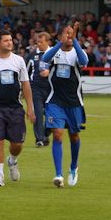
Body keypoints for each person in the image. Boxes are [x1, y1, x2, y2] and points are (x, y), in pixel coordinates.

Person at [0, 31, 35, 186]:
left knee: (17, 144)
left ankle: (12, 160)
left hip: (15, 108)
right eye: (5, 40)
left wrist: (30, 108)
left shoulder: (19, 60)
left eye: (10, 40)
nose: (10, 42)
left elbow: (25, 84)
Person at [41, 22, 88, 188]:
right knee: (57, 134)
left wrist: (75, 41)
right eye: (66, 33)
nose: (69, 36)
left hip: (74, 102)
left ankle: (74, 167)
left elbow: (84, 61)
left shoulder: (78, 52)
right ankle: (58, 174)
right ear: (60, 36)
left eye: (71, 33)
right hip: (55, 101)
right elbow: (45, 59)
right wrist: (59, 44)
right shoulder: (54, 52)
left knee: (74, 136)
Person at [27, 31, 52, 146]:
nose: (39, 44)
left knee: (51, 114)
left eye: (41, 42)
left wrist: (49, 72)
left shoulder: (55, 54)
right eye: (37, 42)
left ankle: (46, 133)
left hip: (51, 89)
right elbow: (25, 72)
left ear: (48, 42)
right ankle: (39, 139)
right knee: (38, 113)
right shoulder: (32, 55)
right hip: (35, 88)